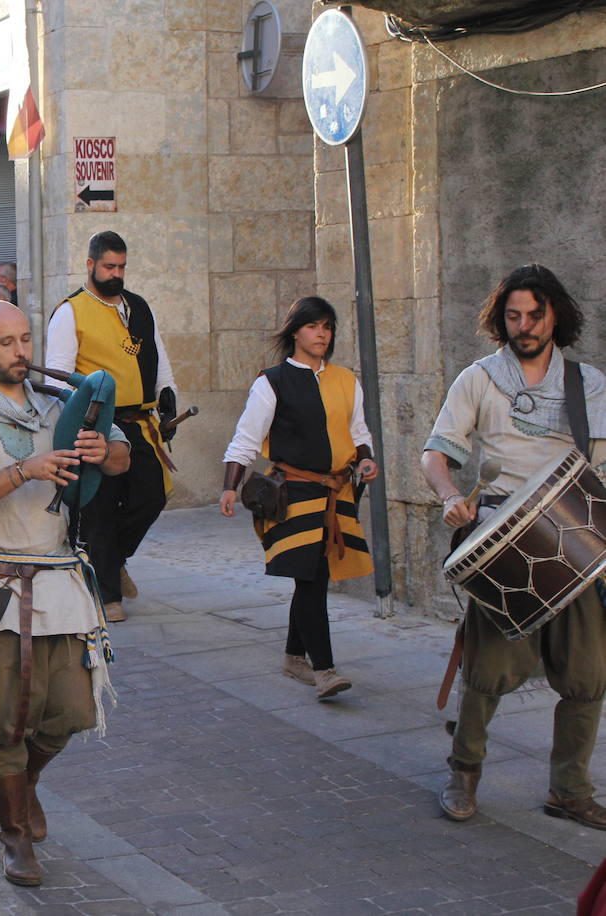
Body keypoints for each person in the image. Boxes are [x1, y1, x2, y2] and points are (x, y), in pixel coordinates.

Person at [0, 300, 125, 886]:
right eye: (5, 343)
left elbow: (120, 455)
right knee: (2, 721)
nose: (21, 353)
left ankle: (23, 786)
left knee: (71, 713)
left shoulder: (61, 403)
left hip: (61, 584)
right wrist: (24, 471)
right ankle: (14, 836)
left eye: (26, 340)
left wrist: (102, 451)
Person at [421, 264, 606, 830]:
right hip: (505, 538)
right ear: (501, 318)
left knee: (588, 675)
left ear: (556, 315)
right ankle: (464, 770)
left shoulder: (588, 384)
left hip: (575, 539)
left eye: (535, 314)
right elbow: (436, 454)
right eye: (514, 316)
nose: (524, 326)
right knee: (490, 668)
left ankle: (569, 789)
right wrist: (452, 494)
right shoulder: (479, 378)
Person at [219, 297, 377, 700]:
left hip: (337, 492)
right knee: (310, 579)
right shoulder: (272, 381)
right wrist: (228, 487)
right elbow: (246, 439)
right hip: (292, 493)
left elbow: (359, 431)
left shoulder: (345, 380)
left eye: (327, 326)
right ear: (295, 332)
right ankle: (324, 669)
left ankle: (294, 656)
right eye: (313, 326)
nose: (322, 333)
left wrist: (367, 460)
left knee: (313, 578)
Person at [45, 231, 178, 622]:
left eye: (121, 266)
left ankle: (115, 560)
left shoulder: (138, 306)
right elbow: (57, 377)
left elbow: (158, 356)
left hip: (140, 421)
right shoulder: (70, 311)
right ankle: (107, 593)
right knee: (100, 507)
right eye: (108, 266)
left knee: (152, 495)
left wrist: (168, 396)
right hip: (97, 423)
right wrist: (75, 425)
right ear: (90, 265)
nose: (116, 273)